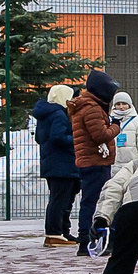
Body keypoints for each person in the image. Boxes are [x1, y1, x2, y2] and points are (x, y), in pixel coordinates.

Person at [71, 71, 118, 250]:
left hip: (91, 160)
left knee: (90, 200)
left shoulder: (86, 105)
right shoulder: (92, 108)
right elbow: (100, 135)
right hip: (95, 161)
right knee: (94, 202)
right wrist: (115, 126)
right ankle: (87, 239)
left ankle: (89, 238)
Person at [34, 83, 80, 246]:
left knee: (60, 198)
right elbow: (58, 137)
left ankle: (62, 232)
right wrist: (77, 140)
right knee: (60, 200)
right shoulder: (58, 114)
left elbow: (40, 138)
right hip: (63, 163)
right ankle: (54, 233)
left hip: (52, 163)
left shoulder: (45, 115)